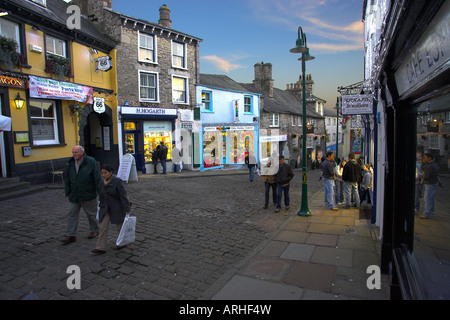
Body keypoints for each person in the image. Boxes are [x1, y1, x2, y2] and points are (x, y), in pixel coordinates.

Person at [61, 145, 101, 244]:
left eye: (76, 152)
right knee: (72, 214)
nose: (74, 154)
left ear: (82, 152)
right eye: (73, 152)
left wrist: (100, 191)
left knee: (91, 214)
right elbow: (68, 179)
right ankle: (70, 234)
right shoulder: (70, 163)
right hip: (74, 194)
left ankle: (94, 230)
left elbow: (97, 177)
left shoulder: (90, 161)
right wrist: (67, 192)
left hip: (88, 193)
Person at [92, 164, 131, 254]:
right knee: (103, 227)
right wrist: (100, 205)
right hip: (105, 207)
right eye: (102, 173)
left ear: (111, 173)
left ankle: (121, 242)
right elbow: (100, 194)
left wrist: (126, 209)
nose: (103, 175)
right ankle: (100, 247)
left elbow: (123, 196)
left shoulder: (117, 181)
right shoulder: (101, 181)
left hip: (117, 207)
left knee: (119, 226)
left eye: (105, 173)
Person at [420, 153, 439, 219]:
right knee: (431, 198)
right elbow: (422, 168)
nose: (424, 158)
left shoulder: (430, 166)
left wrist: (422, 175)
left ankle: (426, 213)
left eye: (425, 157)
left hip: (429, 183)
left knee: (427, 199)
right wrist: (423, 162)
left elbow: (426, 176)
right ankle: (431, 212)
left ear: (429, 158)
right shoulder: (433, 164)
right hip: (433, 183)